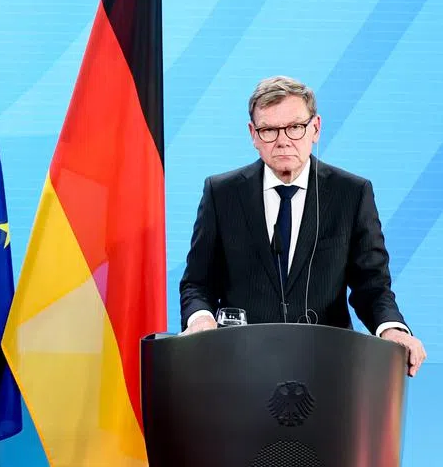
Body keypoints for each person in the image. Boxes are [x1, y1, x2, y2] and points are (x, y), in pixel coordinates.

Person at [179, 76, 427, 376]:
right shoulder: (222, 193)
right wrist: (201, 320)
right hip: (241, 369)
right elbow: (197, 283)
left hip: (328, 370)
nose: (283, 140)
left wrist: (392, 329)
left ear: (316, 128)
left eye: (295, 127)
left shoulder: (351, 193)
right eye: (269, 130)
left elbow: (372, 287)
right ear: (252, 135)